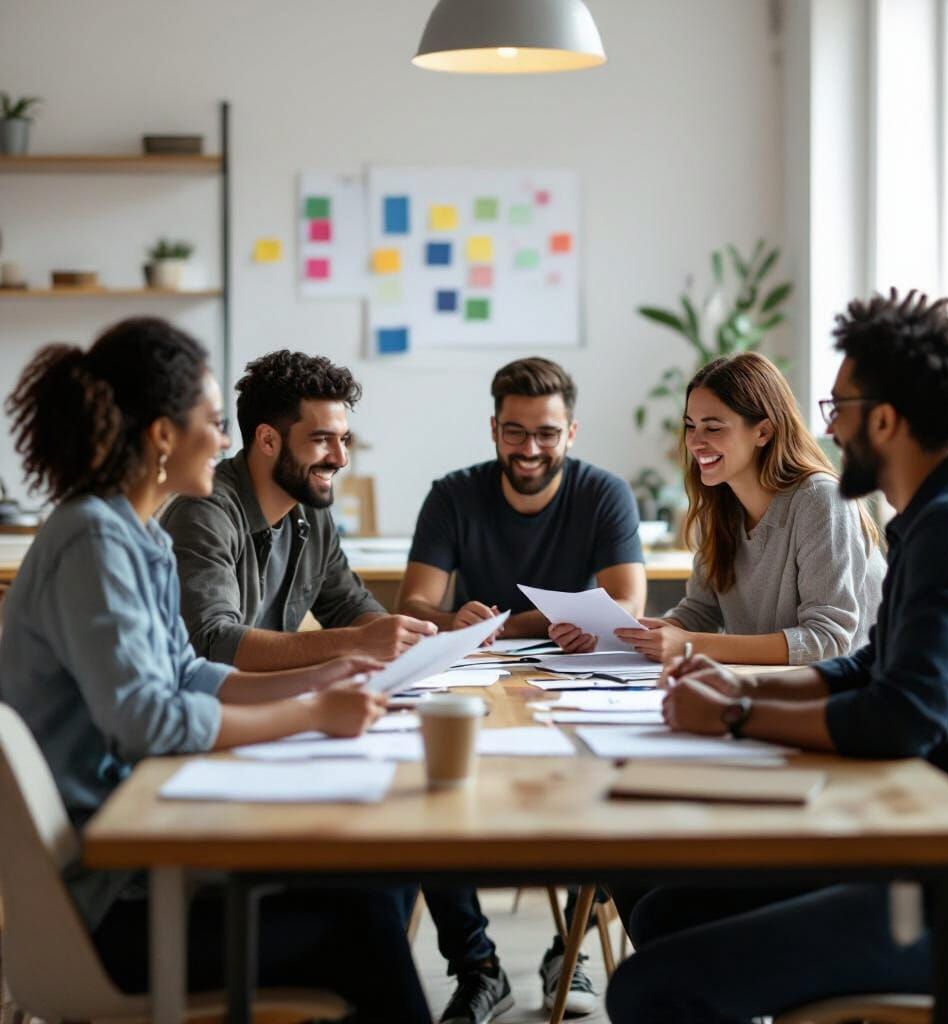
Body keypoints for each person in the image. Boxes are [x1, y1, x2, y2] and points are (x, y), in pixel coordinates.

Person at [606, 290, 948, 1024]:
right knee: (664, 907)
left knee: (647, 988)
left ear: (884, 420)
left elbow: (901, 716)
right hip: (917, 852)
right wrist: (736, 695)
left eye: (840, 408)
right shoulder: (937, 515)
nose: (827, 428)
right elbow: (866, 669)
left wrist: (735, 716)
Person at [0, 318, 430, 1024]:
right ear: (162, 436)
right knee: (367, 921)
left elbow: (190, 674)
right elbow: (148, 721)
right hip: (108, 906)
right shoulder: (94, 540)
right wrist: (310, 714)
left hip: (145, 860)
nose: (227, 439)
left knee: (375, 882)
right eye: (212, 422)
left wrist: (320, 680)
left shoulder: (133, 533)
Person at [398, 356, 647, 1021]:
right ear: (494, 429)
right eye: (515, 432)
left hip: (572, 676)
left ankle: (571, 948)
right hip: (473, 679)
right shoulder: (453, 494)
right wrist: (449, 616)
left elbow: (625, 601)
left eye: (546, 433)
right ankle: (476, 967)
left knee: (617, 777)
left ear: (571, 432)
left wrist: (510, 625)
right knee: (430, 783)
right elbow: (413, 601)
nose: (530, 448)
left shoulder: (603, 493)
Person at [161, 350, 436, 670]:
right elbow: (213, 643)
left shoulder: (309, 507)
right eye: (322, 440)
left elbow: (348, 605)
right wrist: (355, 642)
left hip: (278, 692)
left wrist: (403, 638)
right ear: (268, 440)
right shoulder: (204, 514)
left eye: (343, 439)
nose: (340, 458)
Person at [616, 351, 885, 665]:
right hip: (767, 683)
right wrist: (637, 635)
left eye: (713, 428)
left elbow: (827, 639)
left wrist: (690, 644)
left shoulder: (820, 499)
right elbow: (701, 611)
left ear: (763, 432)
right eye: (690, 426)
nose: (694, 442)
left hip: (849, 688)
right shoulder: (719, 503)